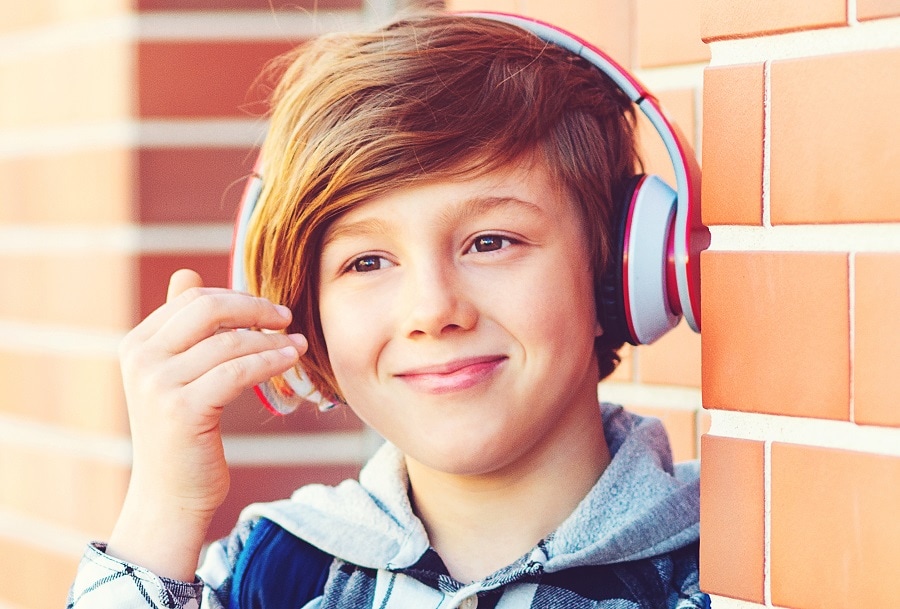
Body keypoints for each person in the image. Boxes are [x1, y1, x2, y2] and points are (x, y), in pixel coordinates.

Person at [68, 10, 708, 609]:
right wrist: (165, 507)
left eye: (490, 242)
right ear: (302, 317)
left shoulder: (725, 572)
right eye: (367, 262)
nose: (433, 311)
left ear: (616, 276)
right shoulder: (272, 569)